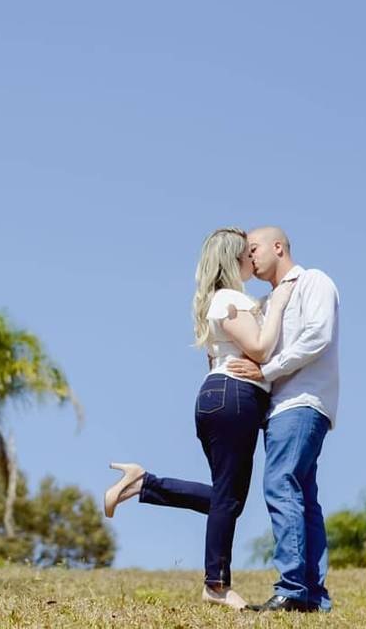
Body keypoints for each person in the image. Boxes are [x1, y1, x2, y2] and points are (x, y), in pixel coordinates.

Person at [103, 227, 294, 610]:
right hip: (232, 398)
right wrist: (283, 298)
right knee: (228, 498)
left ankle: (143, 484)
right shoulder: (227, 298)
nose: (252, 259)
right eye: (247, 253)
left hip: (221, 399)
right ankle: (216, 585)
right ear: (233, 259)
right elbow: (259, 347)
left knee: (227, 499)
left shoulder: (224, 301)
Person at [227, 226, 339, 613]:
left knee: (280, 484)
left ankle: (292, 588)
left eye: (254, 249)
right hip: (279, 409)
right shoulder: (269, 300)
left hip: (302, 403)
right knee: (303, 496)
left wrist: (268, 371)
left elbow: (318, 336)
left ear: (278, 247)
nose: (249, 257)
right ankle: (312, 597)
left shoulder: (313, 282)